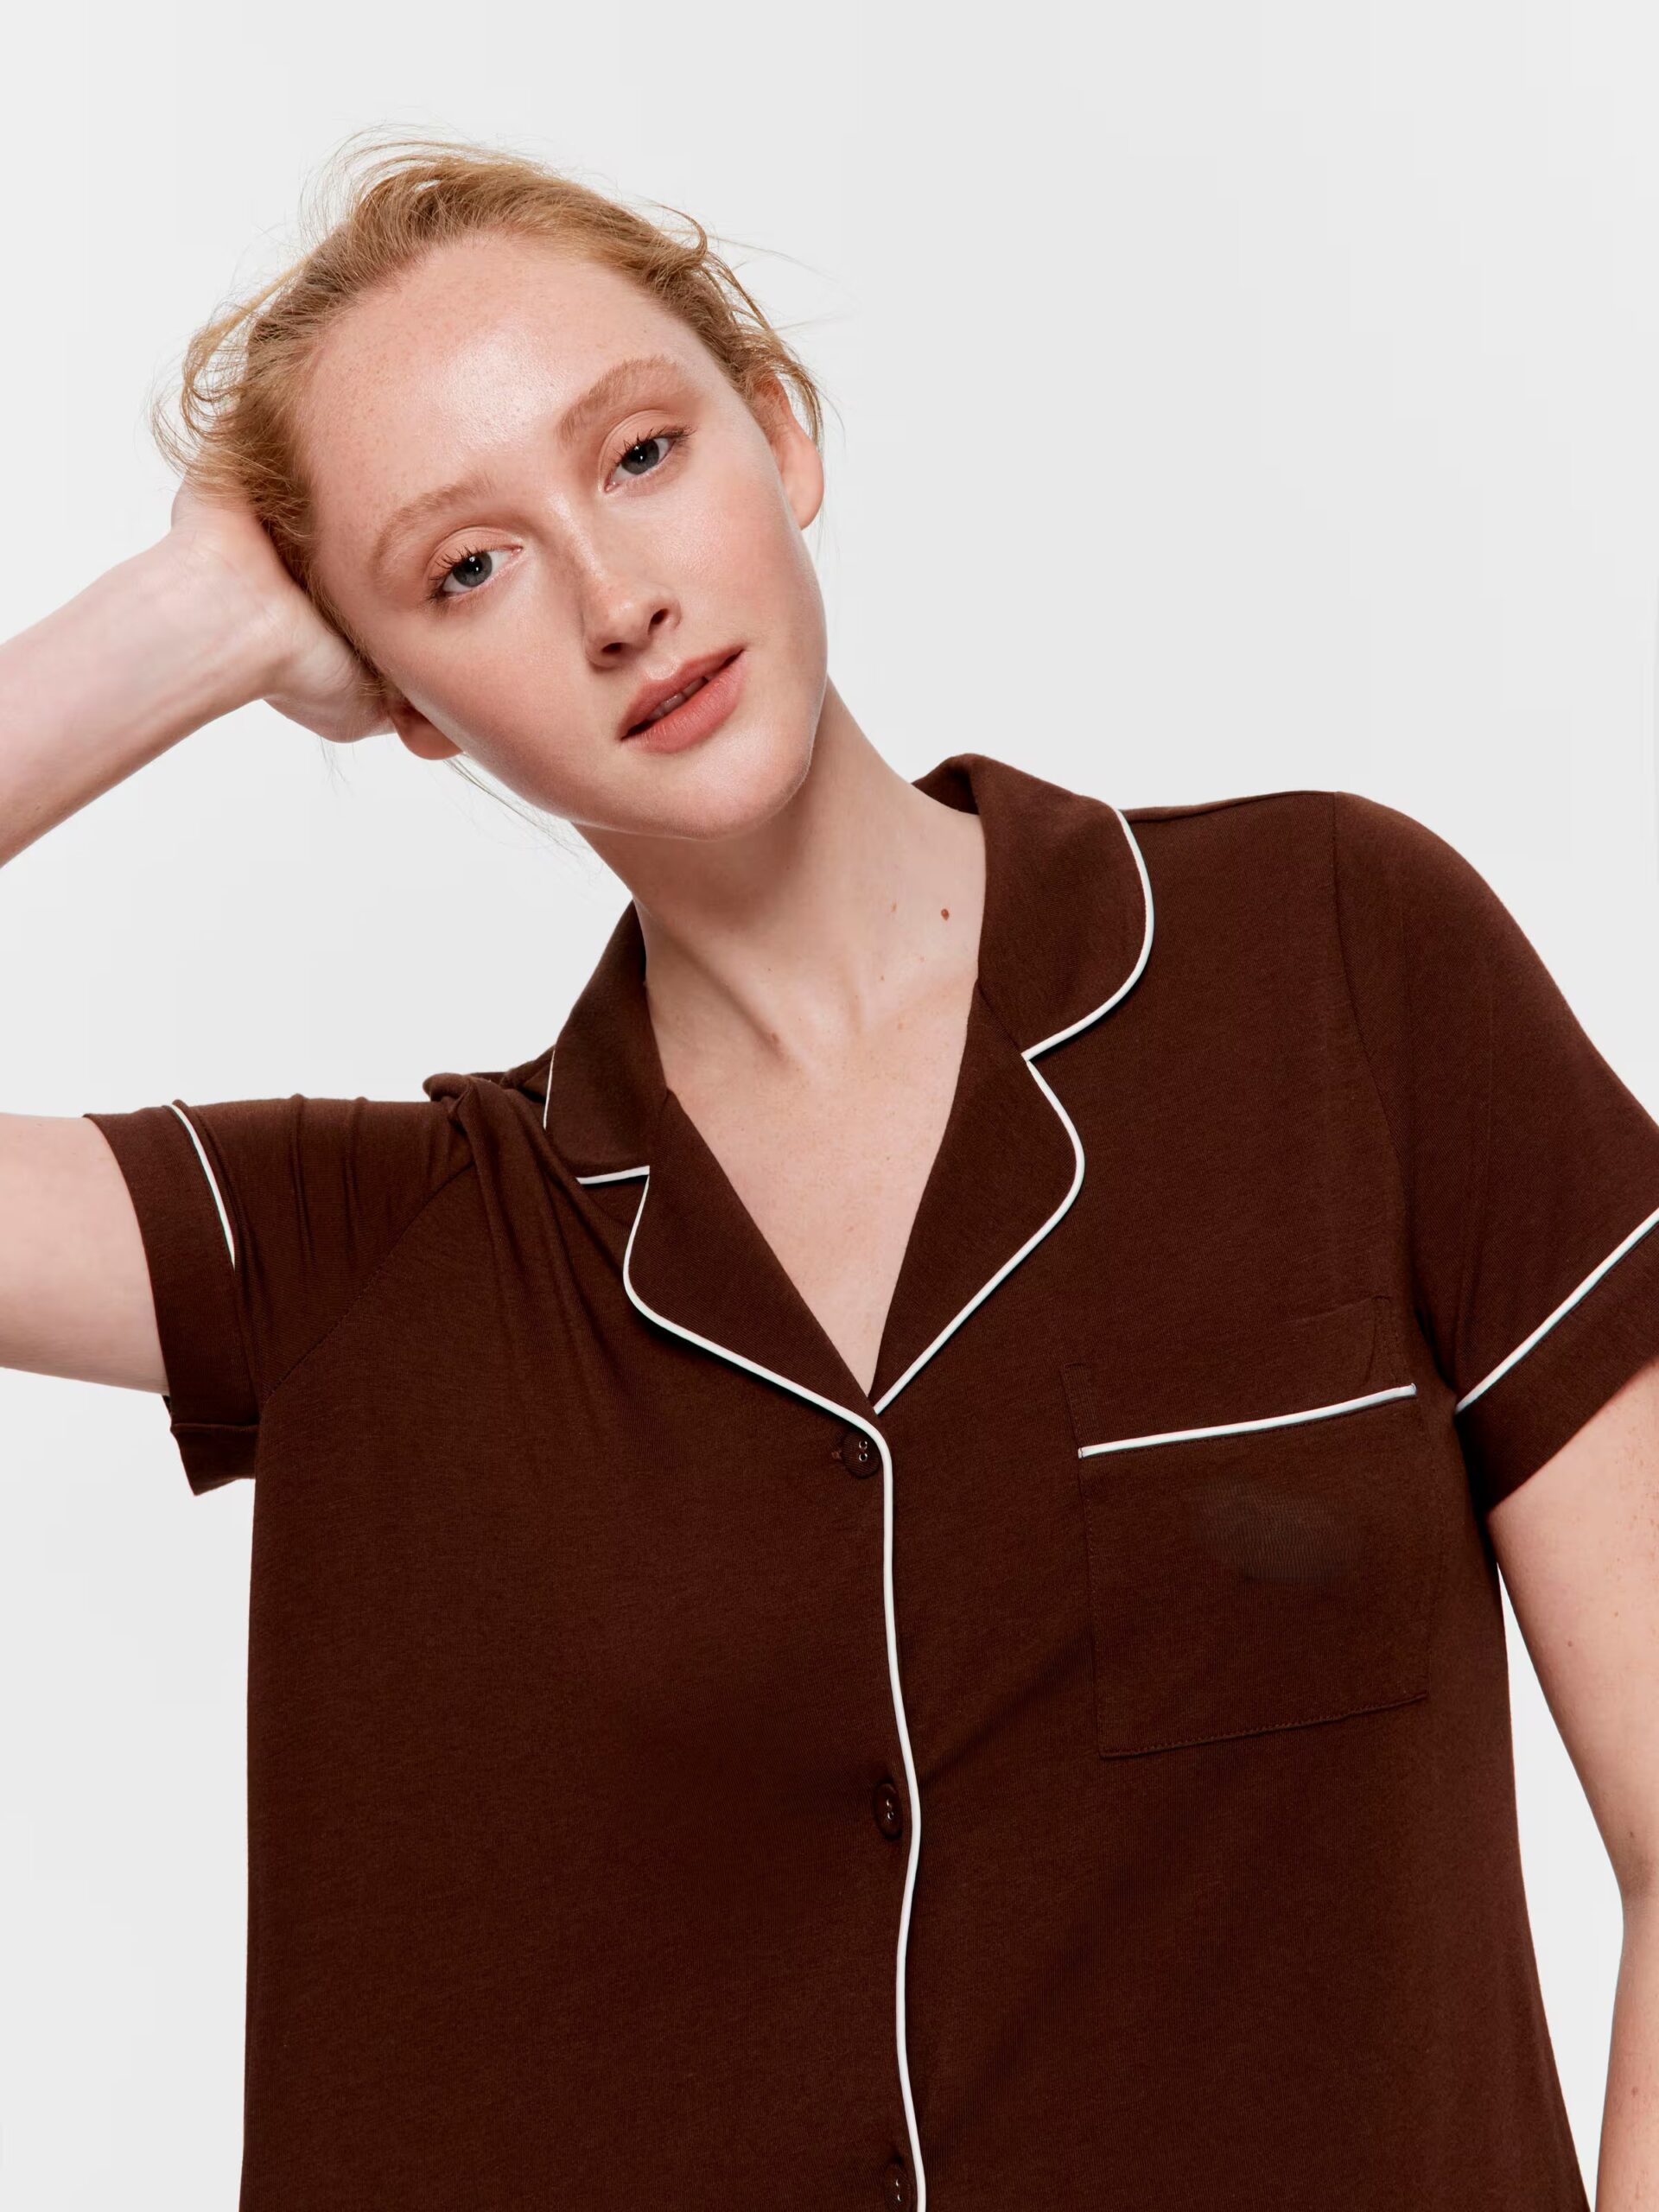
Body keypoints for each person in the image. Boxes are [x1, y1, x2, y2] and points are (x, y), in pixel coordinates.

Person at [3, 131, 1659, 2212]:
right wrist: (187, 620)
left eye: (638, 454)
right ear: (404, 703)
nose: (618, 601)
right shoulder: (384, 1247)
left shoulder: (1336, 959)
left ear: (779, 428)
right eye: (466, 569)